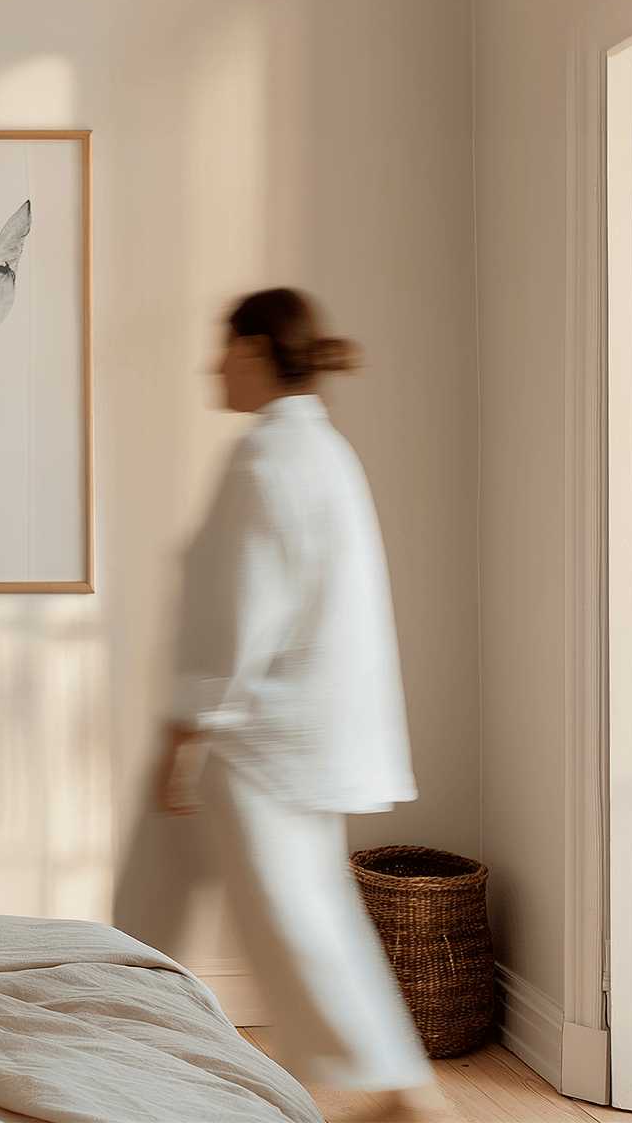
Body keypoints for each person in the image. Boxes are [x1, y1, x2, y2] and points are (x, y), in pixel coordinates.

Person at [114, 289, 449, 1122]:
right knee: (155, 895)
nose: (211, 365)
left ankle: (412, 1094)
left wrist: (182, 736)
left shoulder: (264, 459)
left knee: (300, 919)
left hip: (254, 740)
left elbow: (237, 616)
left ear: (259, 351)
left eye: (223, 348)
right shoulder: (320, 450)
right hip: (284, 733)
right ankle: (124, 1045)